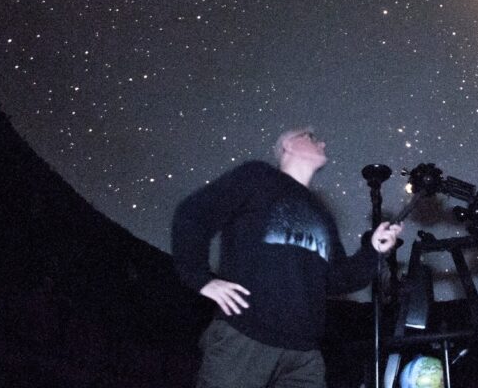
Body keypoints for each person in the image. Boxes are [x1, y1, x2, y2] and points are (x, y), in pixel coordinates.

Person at [172, 127, 403, 388]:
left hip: (304, 356)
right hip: (245, 338)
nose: (324, 142)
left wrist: (373, 250)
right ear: (289, 145)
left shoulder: (322, 214)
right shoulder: (257, 177)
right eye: (313, 137)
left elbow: (339, 279)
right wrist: (200, 278)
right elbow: (193, 214)